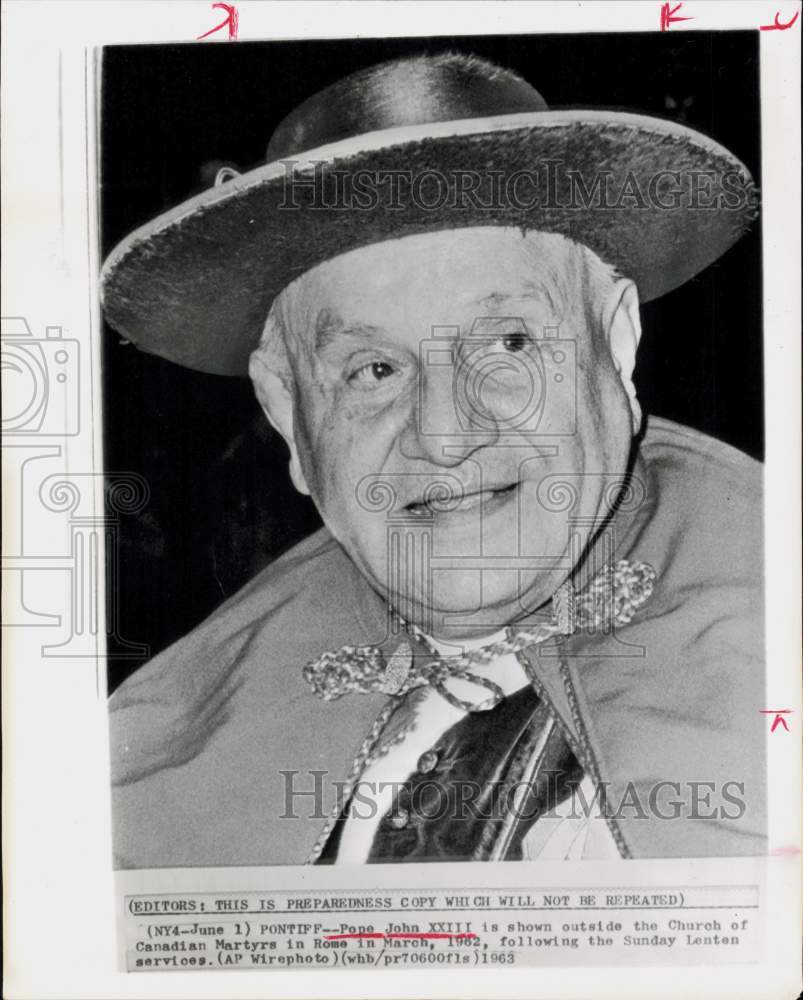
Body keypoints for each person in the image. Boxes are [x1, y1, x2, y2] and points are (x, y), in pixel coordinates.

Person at [102, 52, 764, 868]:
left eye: (507, 344)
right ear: (288, 416)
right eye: (372, 370)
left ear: (617, 351)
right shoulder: (149, 749)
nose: (445, 437)